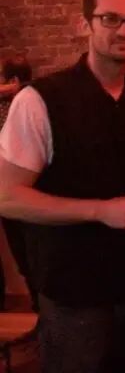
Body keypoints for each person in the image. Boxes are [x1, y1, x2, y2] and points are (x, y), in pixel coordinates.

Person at [0, 0, 125, 373]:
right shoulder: (41, 99)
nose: (123, 30)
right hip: (75, 293)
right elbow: (7, 196)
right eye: (110, 18)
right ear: (86, 23)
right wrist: (100, 211)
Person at [0, 55, 36, 313]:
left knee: (26, 253)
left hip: (14, 187)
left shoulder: (17, 103)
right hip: (28, 186)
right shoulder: (36, 98)